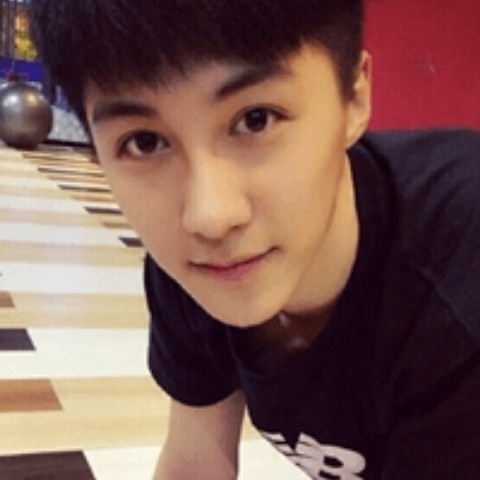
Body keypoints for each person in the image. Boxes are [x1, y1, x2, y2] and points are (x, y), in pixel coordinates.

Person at [29, 1, 480, 479]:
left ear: (353, 97)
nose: (210, 217)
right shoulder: (193, 268)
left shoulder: (458, 287)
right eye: (145, 142)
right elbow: (196, 464)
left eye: (256, 119)